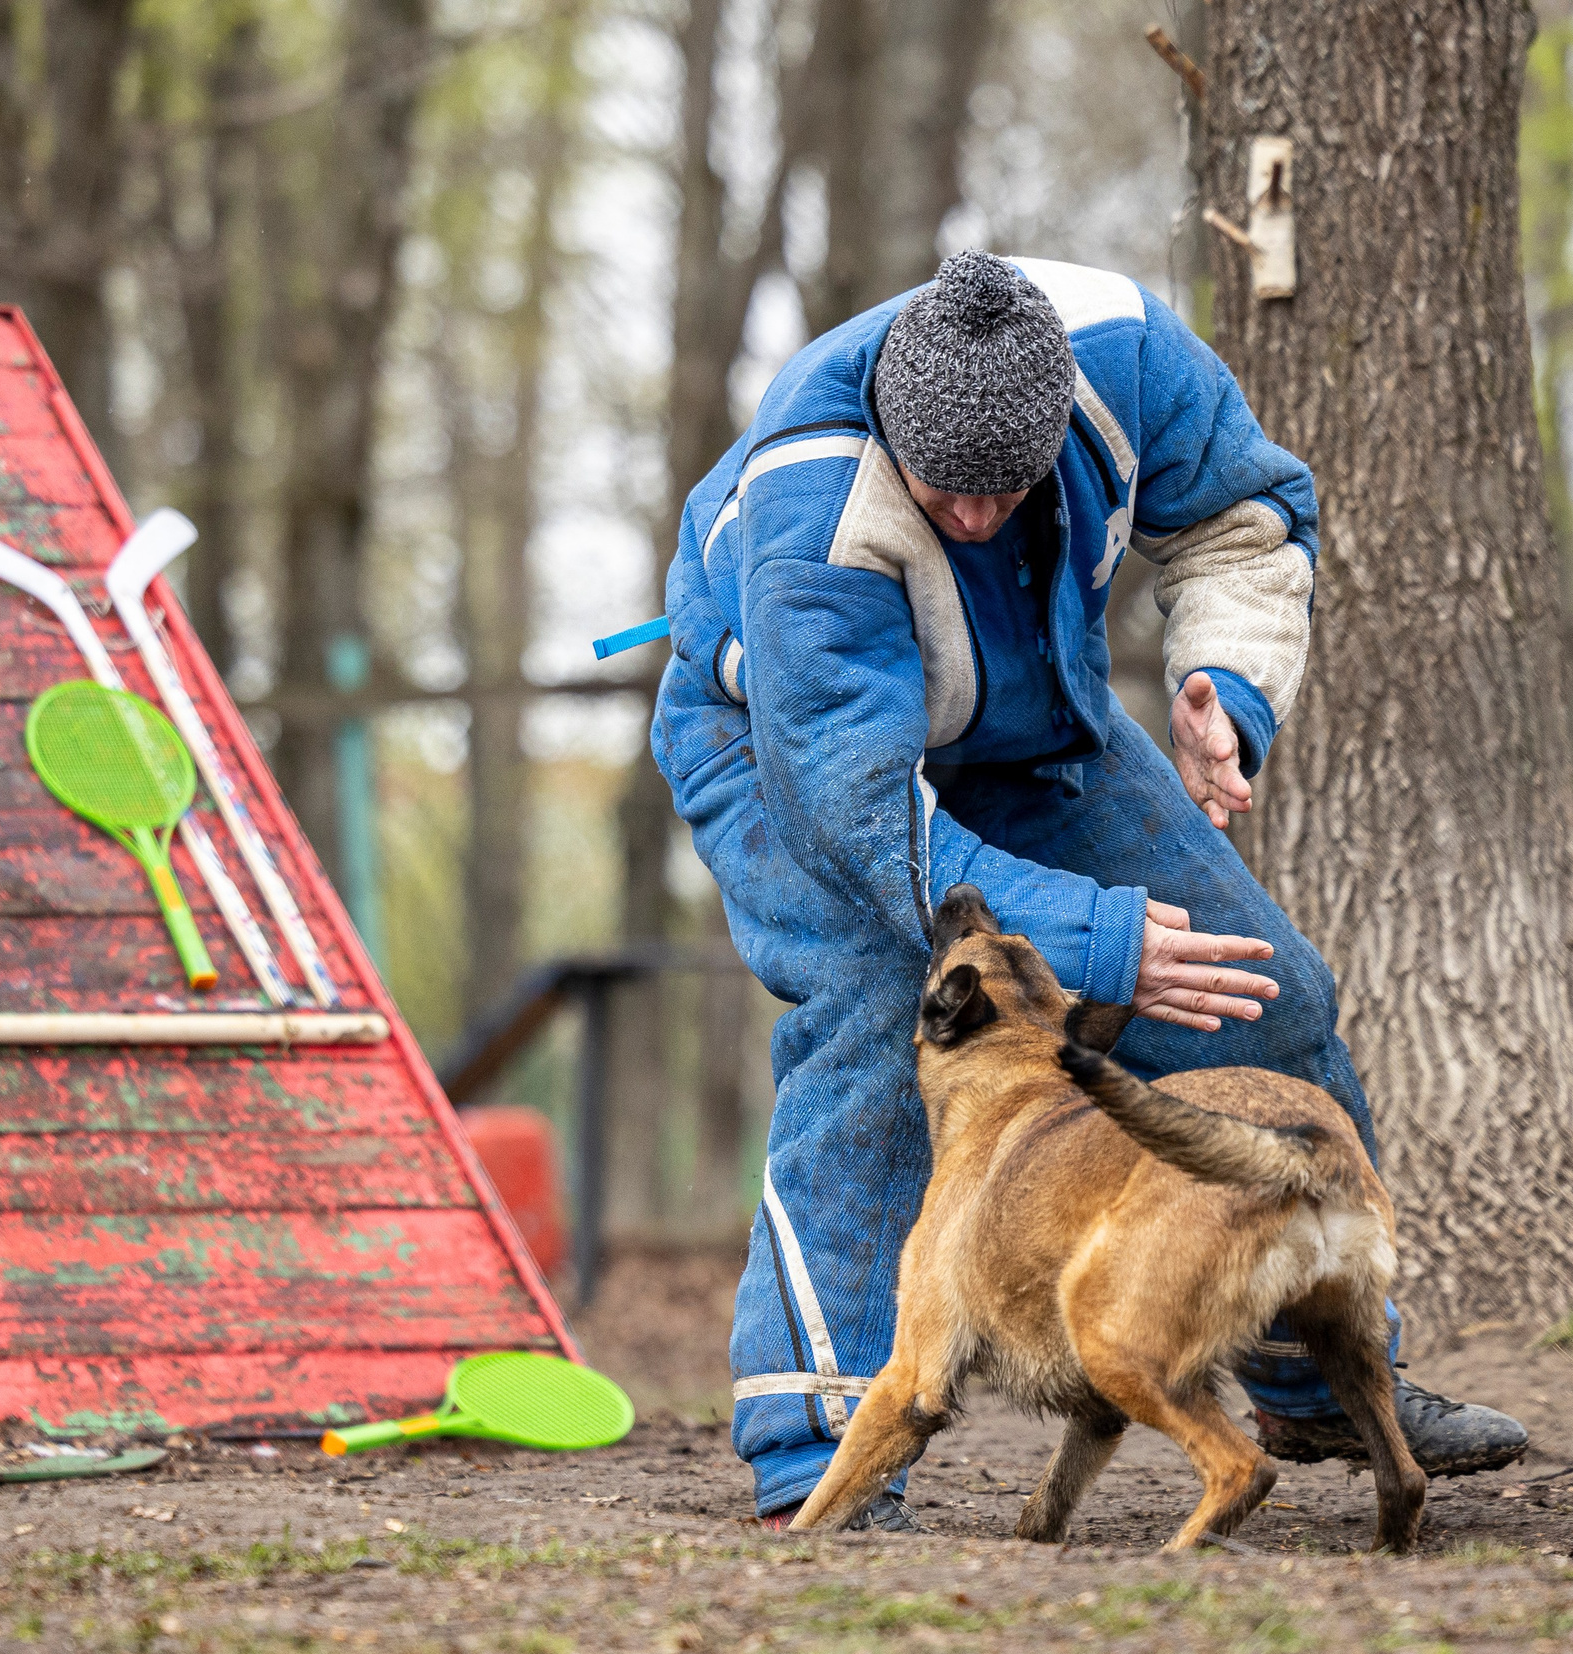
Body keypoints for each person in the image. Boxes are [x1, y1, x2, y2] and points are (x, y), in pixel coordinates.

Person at [650, 251, 1528, 1531]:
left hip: (1035, 724)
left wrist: (1225, 685)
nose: (970, 514)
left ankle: (1314, 1366)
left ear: (1057, 421)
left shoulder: (1125, 357)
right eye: (941, 488)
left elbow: (1244, 520)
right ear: (895, 427)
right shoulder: (815, 509)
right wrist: (1097, 940)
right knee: (877, 1001)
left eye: (1002, 488)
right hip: (792, 755)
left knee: (1264, 990)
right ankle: (824, 1447)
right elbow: (866, 824)